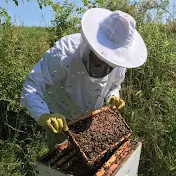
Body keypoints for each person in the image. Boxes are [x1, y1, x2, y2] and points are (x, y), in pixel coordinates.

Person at [20, 8, 147, 150]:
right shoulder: (65, 52)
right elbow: (33, 84)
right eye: (101, 57)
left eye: (110, 60)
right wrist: (43, 114)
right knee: (59, 165)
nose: (105, 63)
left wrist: (112, 96)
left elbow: (114, 85)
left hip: (93, 119)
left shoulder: (120, 59)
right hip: (60, 121)